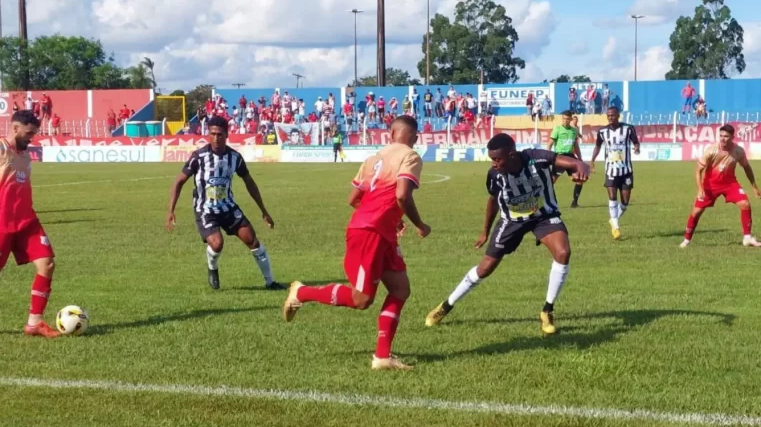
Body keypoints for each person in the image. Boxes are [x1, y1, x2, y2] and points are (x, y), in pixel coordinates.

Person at [282, 116, 431, 371]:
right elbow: (402, 195)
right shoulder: (411, 156)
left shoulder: (373, 159)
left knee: (400, 289)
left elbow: (354, 198)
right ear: (414, 137)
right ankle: (302, 292)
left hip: (380, 231)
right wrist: (419, 224)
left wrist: (388, 219)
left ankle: (383, 357)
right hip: (369, 234)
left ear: (390, 133)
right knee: (361, 299)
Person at [426, 134, 589, 333]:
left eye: (497, 159)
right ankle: (445, 306)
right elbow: (492, 201)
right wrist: (485, 231)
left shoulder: (535, 157)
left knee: (563, 252)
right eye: (492, 159)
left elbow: (567, 161)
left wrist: (581, 166)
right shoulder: (495, 174)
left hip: (543, 216)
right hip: (511, 221)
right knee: (485, 268)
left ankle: (547, 310)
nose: (494, 164)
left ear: (511, 154)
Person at [166, 116, 284, 291]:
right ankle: (212, 268)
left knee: (252, 241)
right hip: (205, 210)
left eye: (219, 134)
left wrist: (264, 211)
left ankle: (270, 282)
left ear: (226, 135)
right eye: (212, 134)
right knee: (217, 244)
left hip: (228, 208)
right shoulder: (198, 157)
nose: (215, 138)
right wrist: (171, 210)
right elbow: (179, 181)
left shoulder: (235, 157)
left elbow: (249, 182)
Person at [0, 111, 59, 338]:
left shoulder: (25, 155)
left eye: (34, 133)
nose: (32, 137)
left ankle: (35, 322)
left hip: (26, 220)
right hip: (2, 221)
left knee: (47, 264)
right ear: (15, 128)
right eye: (29, 133)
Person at [681, 124, 761, 248]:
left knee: (745, 204)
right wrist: (700, 189)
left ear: (732, 137)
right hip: (710, 185)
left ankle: (747, 238)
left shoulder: (738, 151)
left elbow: (746, 168)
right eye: (721, 136)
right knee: (696, 212)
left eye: (726, 136)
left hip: (730, 184)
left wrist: (754, 187)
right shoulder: (711, 150)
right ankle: (686, 241)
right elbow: (698, 171)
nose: (723, 139)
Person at [590, 107, 640, 240]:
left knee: (624, 203)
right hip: (610, 170)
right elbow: (598, 146)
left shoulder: (628, 129)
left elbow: (636, 142)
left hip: (626, 171)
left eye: (612, 115)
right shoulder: (602, 132)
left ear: (618, 116)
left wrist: (636, 148)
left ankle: (613, 219)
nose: (610, 117)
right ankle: (616, 228)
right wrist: (592, 160)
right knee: (612, 197)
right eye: (608, 116)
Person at [548, 110, 583, 207]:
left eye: (568, 119)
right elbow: (549, 144)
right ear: (562, 119)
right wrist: (548, 157)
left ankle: (575, 202)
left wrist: (580, 158)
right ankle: (546, 201)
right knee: (552, 181)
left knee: (580, 179)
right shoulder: (557, 129)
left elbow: (576, 146)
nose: (566, 121)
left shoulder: (574, 131)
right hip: (560, 157)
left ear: (571, 119)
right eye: (564, 118)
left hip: (571, 156)